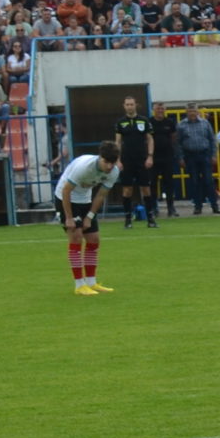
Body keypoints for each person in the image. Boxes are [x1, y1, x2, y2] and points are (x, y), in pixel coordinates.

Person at [57, 140, 120, 294]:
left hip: (85, 199)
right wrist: (69, 217)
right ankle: (79, 285)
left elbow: (101, 195)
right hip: (66, 198)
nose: (109, 166)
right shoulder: (84, 168)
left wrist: (89, 217)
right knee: (76, 237)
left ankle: (91, 282)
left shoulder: (114, 171)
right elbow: (66, 190)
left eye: (112, 163)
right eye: (106, 162)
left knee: (94, 239)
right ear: (100, 157)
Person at [113, 95, 157, 226]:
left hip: (142, 159)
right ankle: (128, 219)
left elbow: (150, 139)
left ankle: (150, 219)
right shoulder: (120, 122)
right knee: (127, 189)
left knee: (146, 188)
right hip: (127, 160)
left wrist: (150, 156)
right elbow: (118, 142)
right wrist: (118, 160)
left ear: (135, 105)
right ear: (124, 106)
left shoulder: (144, 120)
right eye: (127, 104)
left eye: (131, 104)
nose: (129, 107)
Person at [175, 105, 219, 214]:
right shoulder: (181, 125)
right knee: (194, 182)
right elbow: (178, 143)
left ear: (197, 111)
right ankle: (198, 206)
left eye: (194, 111)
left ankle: (215, 205)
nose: (192, 113)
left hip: (205, 154)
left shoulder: (205, 123)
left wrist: (214, 155)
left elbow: (212, 139)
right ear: (186, 112)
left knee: (209, 181)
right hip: (190, 156)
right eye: (190, 111)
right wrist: (180, 158)